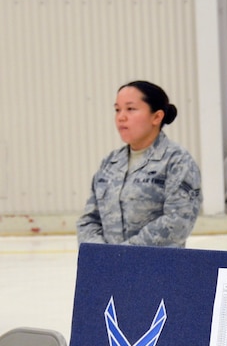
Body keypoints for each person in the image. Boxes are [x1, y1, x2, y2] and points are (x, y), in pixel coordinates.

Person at [78, 81, 202, 246]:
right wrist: (100, 254)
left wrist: (125, 254)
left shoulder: (177, 161)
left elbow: (178, 222)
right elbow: (89, 219)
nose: (121, 117)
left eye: (130, 109)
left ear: (157, 117)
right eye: (117, 110)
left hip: (156, 268)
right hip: (109, 268)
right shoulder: (110, 163)